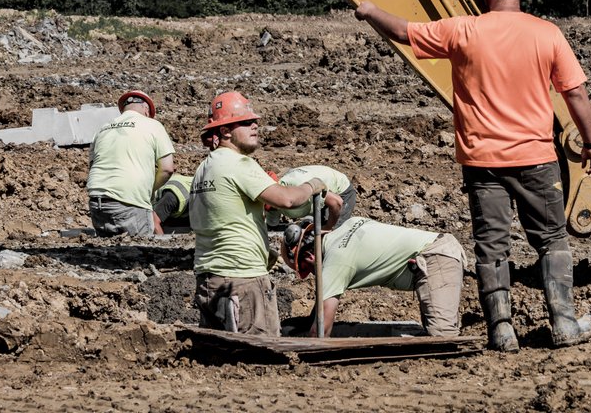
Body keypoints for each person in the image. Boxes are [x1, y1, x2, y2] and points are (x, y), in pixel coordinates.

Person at [355, 0, 591, 351]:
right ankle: (564, 321)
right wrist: (590, 142)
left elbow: (403, 32)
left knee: (492, 246)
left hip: (482, 162)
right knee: (552, 240)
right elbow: (575, 93)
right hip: (537, 158)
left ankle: (501, 331)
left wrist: (369, 11)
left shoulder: (462, 30)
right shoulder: (548, 34)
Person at [189, 91, 344, 336]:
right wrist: (313, 184)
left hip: (210, 280)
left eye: (255, 121)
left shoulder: (204, 168)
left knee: (221, 359)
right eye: (246, 122)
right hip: (243, 281)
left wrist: (263, 250)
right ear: (225, 131)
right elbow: (288, 200)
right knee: (261, 359)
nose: (255, 125)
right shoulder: (238, 164)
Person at [283, 215, 465, 338]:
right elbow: (323, 300)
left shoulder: (337, 259)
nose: (315, 275)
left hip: (436, 258)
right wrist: (307, 322)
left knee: (442, 337)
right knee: (432, 331)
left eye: (309, 269)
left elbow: (322, 329)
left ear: (309, 256)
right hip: (436, 251)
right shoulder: (349, 224)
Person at [87, 90, 176, 238]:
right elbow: (167, 169)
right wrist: (151, 190)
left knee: (107, 255)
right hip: (130, 202)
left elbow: (92, 166)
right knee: (140, 254)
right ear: (146, 110)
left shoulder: (102, 129)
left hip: (97, 202)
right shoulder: (153, 125)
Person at [266, 165, 356, 229]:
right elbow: (272, 220)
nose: (273, 207)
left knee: (331, 236)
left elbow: (336, 202)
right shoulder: (273, 195)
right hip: (319, 194)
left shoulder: (299, 188)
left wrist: (328, 227)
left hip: (339, 191)